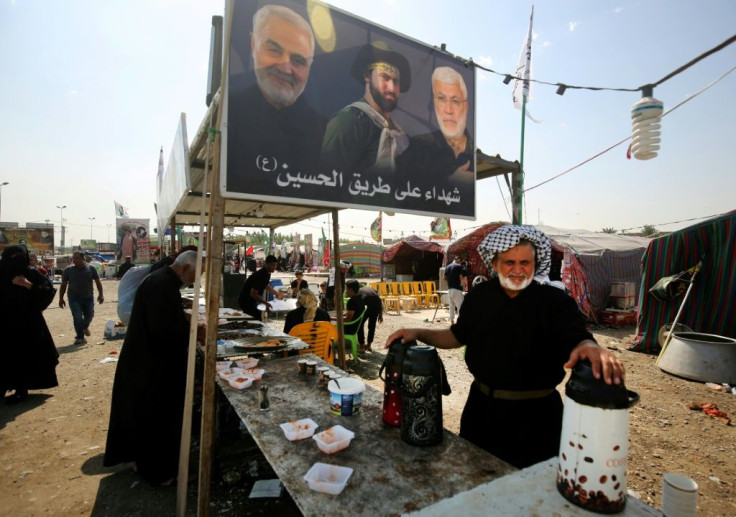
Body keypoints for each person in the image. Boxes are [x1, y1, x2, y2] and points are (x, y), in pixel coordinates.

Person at [385, 225, 625, 469]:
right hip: (481, 413)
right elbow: (458, 336)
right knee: (476, 486)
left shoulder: (555, 302)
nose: (518, 270)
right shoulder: (480, 297)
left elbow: (577, 338)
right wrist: (418, 332)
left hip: (538, 420)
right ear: (496, 263)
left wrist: (589, 346)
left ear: (536, 263)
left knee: (532, 496)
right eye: (510, 262)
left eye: (525, 263)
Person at [103, 251, 200, 486]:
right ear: (186, 268)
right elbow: (164, 331)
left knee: (145, 417)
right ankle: (162, 474)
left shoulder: (160, 280)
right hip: (153, 363)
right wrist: (193, 331)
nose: (196, 281)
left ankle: (144, 464)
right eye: (197, 275)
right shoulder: (163, 285)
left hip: (143, 360)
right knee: (159, 419)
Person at [227, 4, 325, 190]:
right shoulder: (229, 114)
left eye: (298, 60)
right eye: (274, 50)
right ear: (253, 44)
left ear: (309, 67)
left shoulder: (326, 134)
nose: (285, 68)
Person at [320, 41, 411, 177]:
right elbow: (326, 182)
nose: (392, 88)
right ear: (367, 76)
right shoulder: (348, 122)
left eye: (396, 81)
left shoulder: (400, 134)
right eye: (385, 77)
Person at [396, 66, 474, 205]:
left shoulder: (474, 154)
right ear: (434, 104)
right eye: (441, 99)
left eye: (455, 101)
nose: (448, 110)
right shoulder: (418, 147)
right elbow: (394, 184)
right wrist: (450, 182)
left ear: (466, 107)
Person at [0, 245, 58, 403]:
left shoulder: (31, 274)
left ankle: (21, 388)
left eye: (19, 256)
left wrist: (28, 285)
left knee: (23, 356)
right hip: (4, 325)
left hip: (28, 325)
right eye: (12, 257)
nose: (16, 261)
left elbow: (48, 291)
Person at [58, 251, 104, 345]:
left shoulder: (91, 269)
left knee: (90, 315)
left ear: (83, 258)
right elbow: (63, 285)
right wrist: (61, 298)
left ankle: (84, 327)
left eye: (76, 258)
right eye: (73, 258)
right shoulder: (68, 270)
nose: (74, 260)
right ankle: (79, 337)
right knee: (77, 317)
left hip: (88, 297)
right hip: (73, 297)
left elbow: (98, 282)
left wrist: (101, 294)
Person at [238, 255, 284, 320]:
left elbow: (266, 285)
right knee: (256, 319)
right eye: (272, 265)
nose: (274, 267)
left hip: (252, 299)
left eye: (275, 265)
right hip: (246, 300)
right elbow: (253, 294)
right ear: (267, 264)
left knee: (257, 317)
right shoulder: (260, 275)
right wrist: (266, 303)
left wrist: (277, 294)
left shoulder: (267, 273)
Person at [356, 283, 383, 353]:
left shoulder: (358, 291)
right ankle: (369, 345)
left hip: (367, 304)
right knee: (372, 326)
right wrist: (380, 315)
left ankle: (361, 345)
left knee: (360, 324)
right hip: (376, 305)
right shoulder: (370, 289)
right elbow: (379, 300)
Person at [444, 256, 467, 324]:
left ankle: (451, 320)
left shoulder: (447, 267)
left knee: (451, 305)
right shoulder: (459, 266)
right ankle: (461, 321)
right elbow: (461, 277)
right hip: (457, 289)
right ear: (459, 261)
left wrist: (450, 281)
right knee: (460, 306)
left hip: (450, 289)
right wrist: (463, 285)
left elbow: (444, 278)